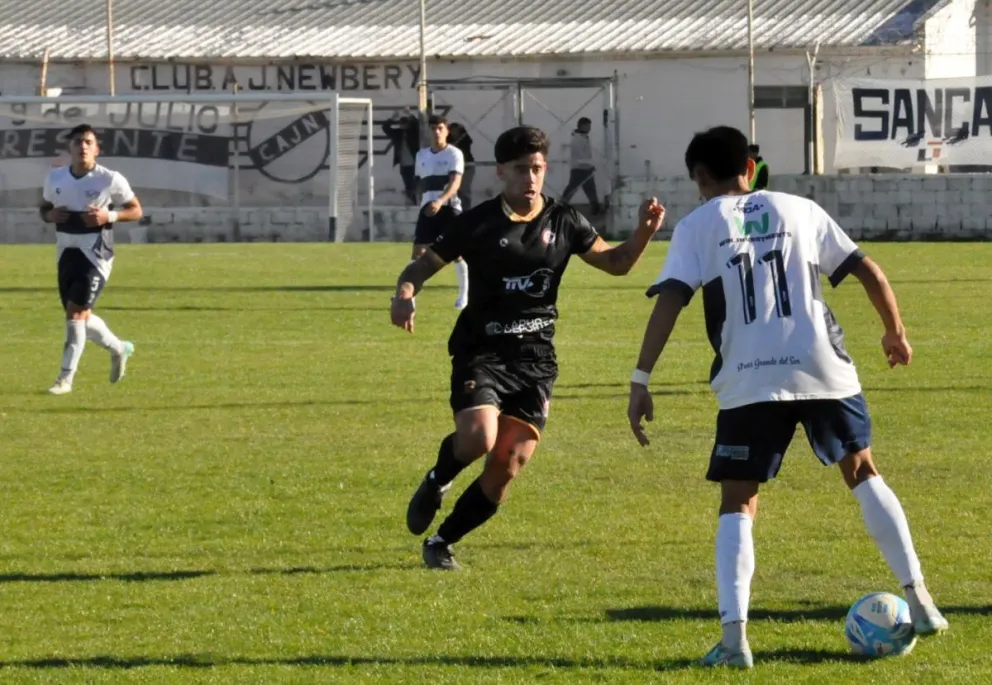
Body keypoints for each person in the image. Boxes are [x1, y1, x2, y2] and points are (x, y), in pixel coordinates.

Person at [626, 126, 948, 669]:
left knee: (739, 502)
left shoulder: (697, 225)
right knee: (863, 472)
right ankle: (922, 603)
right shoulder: (800, 208)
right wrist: (895, 330)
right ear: (748, 170)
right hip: (821, 366)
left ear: (699, 180)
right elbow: (865, 268)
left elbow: (672, 302)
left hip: (748, 378)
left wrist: (640, 378)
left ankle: (734, 643)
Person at [390, 125, 665, 571]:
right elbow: (423, 265)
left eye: (537, 168)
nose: (531, 178)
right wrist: (404, 294)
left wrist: (644, 232)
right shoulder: (477, 223)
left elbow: (615, 263)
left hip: (535, 361)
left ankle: (441, 543)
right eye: (521, 170)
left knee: (508, 464)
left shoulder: (564, 221)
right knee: (480, 437)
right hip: (483, 351)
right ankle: (437, 479)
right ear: (500, 172)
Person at [40, 123, 143, 395]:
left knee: (75, 314)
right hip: (66, 253)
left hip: (96, 255)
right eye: (78, 142)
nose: (83, 146)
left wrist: (108, 216)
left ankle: (65, 379)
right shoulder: (55, 178)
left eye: (88, 142)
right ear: (70, 148)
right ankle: (119, 349)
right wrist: (51, 216)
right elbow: (44, 208)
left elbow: (135, 210)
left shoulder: (109, 179)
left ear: (96, 149)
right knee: (80, 317)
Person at [413, 115, 468, 310]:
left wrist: (441, 200)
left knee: (456, 253)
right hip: (427, 208)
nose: (437, 132)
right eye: (433, 128)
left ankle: (464, 295)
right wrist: (423, 201)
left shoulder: (454, 154)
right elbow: (421, 182)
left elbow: (455, 182)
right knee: (418, 253)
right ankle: (410, 297)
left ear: (447, 131)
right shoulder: (421, 155)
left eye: (440, 128)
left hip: (449, 208)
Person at [561, 117, 602, 216]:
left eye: (589, 126)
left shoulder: (584, 137)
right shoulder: (577, 139)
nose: (589, 128)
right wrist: (590, 164)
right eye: (587, 126)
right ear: (581, 126)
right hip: (579, 168)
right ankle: (561, 206)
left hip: (586, 168)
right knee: (572, 188)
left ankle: (595, 208)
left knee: (590, 188)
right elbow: (579, 155)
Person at [382, 108, 420, 204]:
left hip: (415, 163)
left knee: (415, 184)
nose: (403, 125)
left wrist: (410, 114)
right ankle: (411, 202)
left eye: (405, 123)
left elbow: (417, 124)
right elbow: (385, 128)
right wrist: (393, 118)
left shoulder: (414, 132)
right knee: (408, 185)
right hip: (404, 163)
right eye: (401, 123)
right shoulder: (398, 133)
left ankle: (416, 201)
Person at [448, 122, 476, 210]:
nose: (454, 133)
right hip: (453, 168)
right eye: (452, 131)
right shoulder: (448, 141)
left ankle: (466, 209)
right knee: (453, 190)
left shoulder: (464, 141)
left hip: (467, 167)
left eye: (456, 131)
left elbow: (468, 142)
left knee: (464, 189)